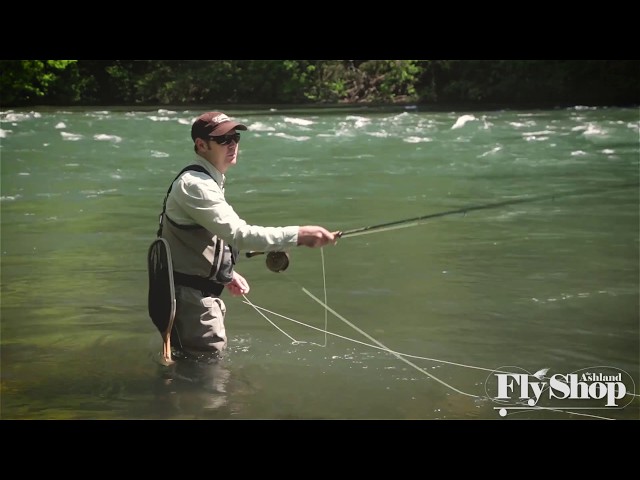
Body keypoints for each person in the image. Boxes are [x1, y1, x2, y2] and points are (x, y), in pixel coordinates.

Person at [156, 111, 338, 361]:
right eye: (223, 139)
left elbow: (200, 239)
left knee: (199, 374)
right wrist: (299, 235)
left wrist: (223, 273)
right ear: (201, 145)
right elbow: (239, 234)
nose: (232, 144)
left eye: (235, 136)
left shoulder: (207, 179)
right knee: (208, 384)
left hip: (193, 296)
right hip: (190, 302)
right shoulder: (195, 185)